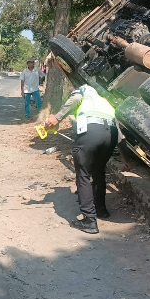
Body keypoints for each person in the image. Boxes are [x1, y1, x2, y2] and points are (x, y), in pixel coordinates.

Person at [44, 84, 118, 234]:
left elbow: (76, 98)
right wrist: (127, 159)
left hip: (91, 133)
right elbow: (119, 128)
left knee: (83, 175)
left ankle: (89, 220)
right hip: (111, 135)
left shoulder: (83, 92)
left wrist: (57, 118)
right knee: (98, 172)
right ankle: (101, 210)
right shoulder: (104, 100)